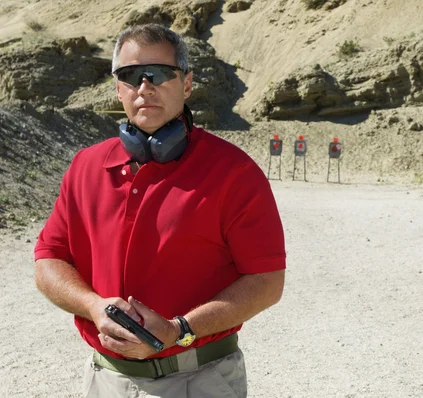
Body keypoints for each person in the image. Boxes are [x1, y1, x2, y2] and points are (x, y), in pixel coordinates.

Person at [34, 23, 286, 398]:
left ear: (186, 84)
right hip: (107, 380)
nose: (144, 87)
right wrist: (93, 306)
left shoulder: (235, 172)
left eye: (159, 74)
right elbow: (48, 259)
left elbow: (267, 283)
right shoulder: (85, 167)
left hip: (200, 379)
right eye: (131, 76)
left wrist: (179, 329)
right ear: (118, 88)